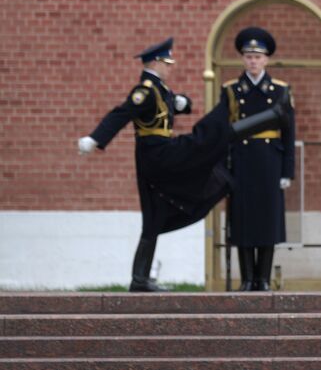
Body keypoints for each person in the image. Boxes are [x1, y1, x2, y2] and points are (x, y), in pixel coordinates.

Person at [77, 37, 289, 292]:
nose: (171, 67)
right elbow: (120, 114)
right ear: (156, 63)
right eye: (168, 63)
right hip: (157, 156)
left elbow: (173, 106)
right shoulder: (144, 91)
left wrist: (182, 103)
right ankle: (251, 127)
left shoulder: (160, 90)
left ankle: (140, 279)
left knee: (153, 220)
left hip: (163, 155)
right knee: (203, 141)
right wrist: (96, 139)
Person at [219, 27, 296, 291]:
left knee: (267, 221)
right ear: (243, 59)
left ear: (266, 60)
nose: (253, 61)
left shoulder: (280, 90)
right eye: (249, 56)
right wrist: (223, 168)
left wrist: (287, 171)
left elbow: (288, 133)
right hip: (241, 162)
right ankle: (247, 278)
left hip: (269, 164)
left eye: (258, 57)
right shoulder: (231, 90)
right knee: (242, 222)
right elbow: (223, 131)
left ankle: (262, 279)